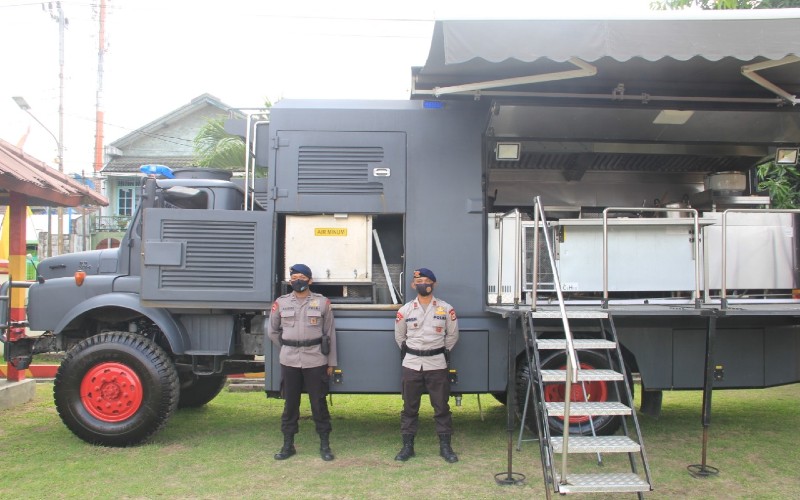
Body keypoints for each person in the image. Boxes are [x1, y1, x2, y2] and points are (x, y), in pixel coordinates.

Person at [268, 263, 337, 461]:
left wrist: (331, 362)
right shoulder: (281, 303)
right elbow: (272, 331)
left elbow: (329, 333)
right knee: (290, 404)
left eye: (302, 277)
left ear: (310, 280)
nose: (297, 280)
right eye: (294, 277)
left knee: (318, 403)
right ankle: (288, 445)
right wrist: (287, 347)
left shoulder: (322, 303)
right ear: (290, 281)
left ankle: (325, 445)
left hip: (316, 359)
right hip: (289, 360)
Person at [394, 267, 459, 463]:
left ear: (434, 284)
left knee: (441, 407)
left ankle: (445, 447)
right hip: (412, 364)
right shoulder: (405, 310)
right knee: (409, 407)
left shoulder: (446, 309)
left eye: (427, 280)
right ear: (414, 285)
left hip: (437, 363)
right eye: (419, 281)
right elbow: (399, 337)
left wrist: (437, 350)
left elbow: (453, 335)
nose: (423, 284)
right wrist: (415, 352)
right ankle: (407, 447)